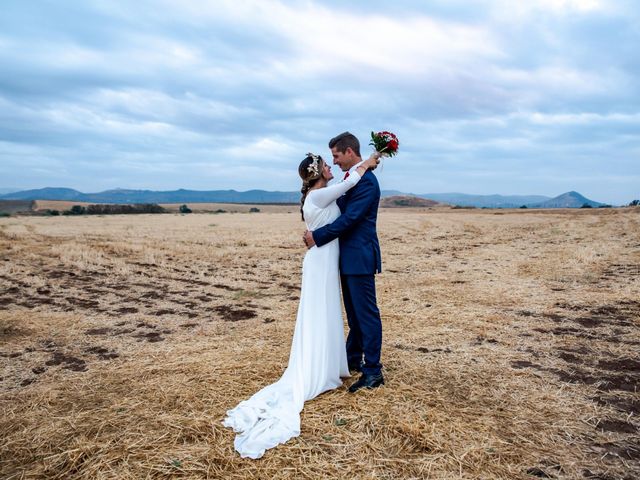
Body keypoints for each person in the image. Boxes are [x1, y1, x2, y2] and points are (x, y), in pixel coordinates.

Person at [222, 151, 380, 459]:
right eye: (327, 163)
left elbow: (348, 196)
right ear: (317, 173)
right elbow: (349, 187)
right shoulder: (319, 195)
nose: (331, 165)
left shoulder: (317, 194)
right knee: (320, 314)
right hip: (321, 260)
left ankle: (334, 363)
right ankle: (320, 369)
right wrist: (370, 160)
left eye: (334, 158)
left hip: (327, 258)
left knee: (327, 315)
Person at [303, 131, 384, 393]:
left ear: (350, 152)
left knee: (366, 315)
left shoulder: (368, 183)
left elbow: (349, 220)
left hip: (359, 257)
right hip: (346, 258)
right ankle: (352, 359)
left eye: (336, 156)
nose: (334, 162)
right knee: (354, 315)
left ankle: (373, 371)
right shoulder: (352, 178)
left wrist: (317, 237)